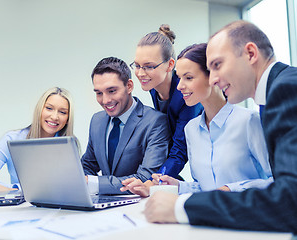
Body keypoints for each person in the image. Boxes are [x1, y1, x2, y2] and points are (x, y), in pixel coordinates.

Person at [143, 20, 297, 233]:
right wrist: (178, 188)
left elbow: (287, 197)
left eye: (217, 65)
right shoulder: (276, 92)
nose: (215, 78)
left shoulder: (284, 91)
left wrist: (182, 207)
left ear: (250, 54)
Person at [121, 43, 273, 197]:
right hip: (209, 218)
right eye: (179, 78)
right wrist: (177, 186)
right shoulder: (191, 129)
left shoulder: (250, 121)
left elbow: (279, 181)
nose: (179, 86)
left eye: (188, 77)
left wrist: (231, 189)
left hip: (248, 217)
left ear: (213, 77)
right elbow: (204, 188)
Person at [81, 56, 170, 195]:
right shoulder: (97, 121)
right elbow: (87, 165)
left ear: (129, 86)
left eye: (112, 91)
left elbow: (145, 178)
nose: (105, 100)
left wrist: (94, 184)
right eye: (99, 93)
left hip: (139, 206)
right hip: (103, 207)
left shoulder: (156, 122)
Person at [130, 24, 203, 179]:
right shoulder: (152, 86)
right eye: (137, 66)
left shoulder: (186, 94)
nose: (140, 73)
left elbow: (179, 151)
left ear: (170, 65)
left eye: (148, 67)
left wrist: (154, 180)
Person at [0, 87, 74, 192]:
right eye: (49, 108)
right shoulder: (12, 139)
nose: (55, 116)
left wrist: (13, 189)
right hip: (20, 207)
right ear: (39, 110)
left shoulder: (69, 146)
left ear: (67, 119)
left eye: (62, 112)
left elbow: (66, 187)